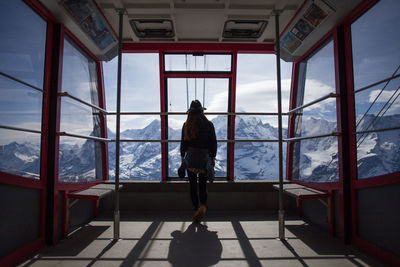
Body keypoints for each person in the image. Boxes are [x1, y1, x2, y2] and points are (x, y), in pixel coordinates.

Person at [180, 100, 217, 223]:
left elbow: (183, 143)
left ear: (190, 112)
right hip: (203, 157)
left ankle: (196, 208)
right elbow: (213, 143)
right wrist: (212, 158)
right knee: (202, 185)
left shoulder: (186, 125)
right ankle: (203, 207)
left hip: (191, 157)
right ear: (202, 111)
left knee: (192, 185)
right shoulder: (209, 125)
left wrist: (183, 159)